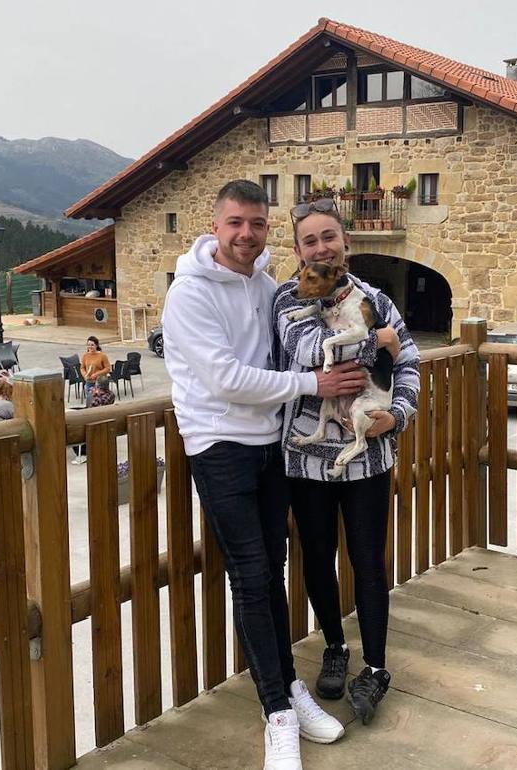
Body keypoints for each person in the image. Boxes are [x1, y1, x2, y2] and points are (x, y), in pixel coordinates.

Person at [162, 180, 367, 770]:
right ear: (215, 226)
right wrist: (314, 384)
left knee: (270, 573)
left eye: (256, 224)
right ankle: (277, 712)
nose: (246, 234)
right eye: (235, 223)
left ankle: (288, 689)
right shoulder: (189, 294)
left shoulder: (264, 282)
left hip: (268, 444)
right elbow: (225, 378)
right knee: (252, 577)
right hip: (218, 446)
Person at [272, 197, 420, 726]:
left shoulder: (376, 299)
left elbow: (410, 363)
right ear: (298, 251)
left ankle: (376, 667)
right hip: (307, 460)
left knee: (368, 560)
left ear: (345, 242)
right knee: (318, 557)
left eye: (328, 237)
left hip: (367, 457)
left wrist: (396, 415)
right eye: (310, 241)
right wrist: (380, 341)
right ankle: (335, 646)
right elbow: (310, 352)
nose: (321, 248)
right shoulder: (288, 300)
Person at [80, 335, 111, 406]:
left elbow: (108, 368)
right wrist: (85, 375)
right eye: (88, 345)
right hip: (89, 382)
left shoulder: (102, 356)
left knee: (100, 402)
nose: (90, 347)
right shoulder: (85, 356)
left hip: (100, 383)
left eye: (92, 345)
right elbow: (82, 368)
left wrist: (97, 374)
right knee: (90, 402)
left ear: (96, 345)